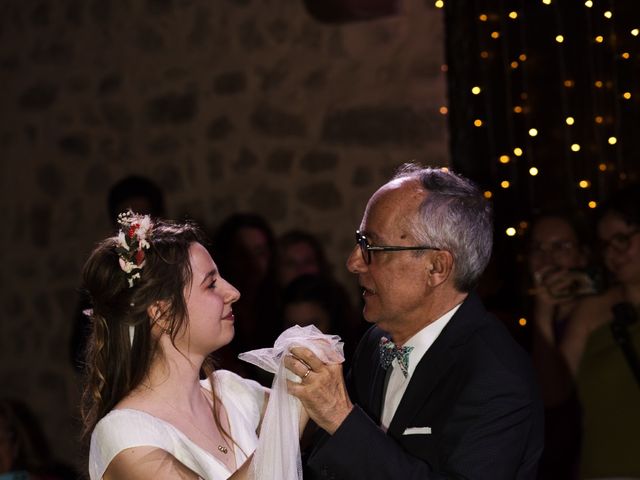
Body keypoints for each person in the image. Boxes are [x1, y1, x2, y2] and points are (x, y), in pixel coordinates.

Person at [284, 163, 544, 479]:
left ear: (437, 267)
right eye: (359, 241)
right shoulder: (375, 342)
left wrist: (339, 416)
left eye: (372, 246)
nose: (353, 262)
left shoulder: (496, 376)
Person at [80, 212, 296, 479]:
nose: (233, 292)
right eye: (211, 284)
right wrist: (292, 414)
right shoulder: (124, 433)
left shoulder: (232, 393)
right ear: (161, 312)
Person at [557, 184, 640, 478]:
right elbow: (553, 392)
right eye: (605, 245)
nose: (612, 254)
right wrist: (544, 314)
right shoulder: (592, 312)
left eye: (622, 240)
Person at [526, 213, 594, 480]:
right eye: (537, 249)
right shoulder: (518, 328)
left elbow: (553, 394)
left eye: (560, 247)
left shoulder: (602, 316)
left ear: (583, 256)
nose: (547, 259)